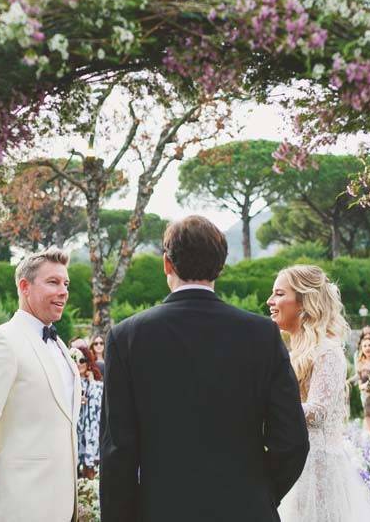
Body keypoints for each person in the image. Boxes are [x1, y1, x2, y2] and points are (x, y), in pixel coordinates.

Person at [100, 216, 308, 522]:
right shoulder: (261, 333)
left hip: (161, 510)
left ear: (167, 265)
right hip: (246, 509)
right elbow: (292, 440)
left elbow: (117, 450)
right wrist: (258, 494)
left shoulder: (128, 336)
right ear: (221, 267)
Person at [0, 248, 81, 522]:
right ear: (25, 287)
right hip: (19, 505)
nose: (63, 291)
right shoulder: (1, 341)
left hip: (62, 507)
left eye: (66, 284)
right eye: (53, 282)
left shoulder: (60, 345)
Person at [270, 265, 370, 522]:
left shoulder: (327, 351)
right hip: (290, 465)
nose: (270, 301)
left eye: (278, 294)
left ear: (303, 302)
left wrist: (265, 408)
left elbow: (318, 412)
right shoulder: (290, 352)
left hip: (316, 469)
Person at [72, 346, 103, 480]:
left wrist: (91, 382)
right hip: (74, 434)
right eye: (75, 360)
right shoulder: (67, 384)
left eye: (82, 360)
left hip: (91, 436)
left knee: (90, 473)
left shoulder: (95, 385)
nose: (79, 364)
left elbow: (100, 406)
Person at [350, 335, 370, 435]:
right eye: (365, 346)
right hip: (367, 397)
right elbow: (359, 384)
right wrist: (365, 386)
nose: (367, 348)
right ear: (362, 349)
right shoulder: (360, 364)